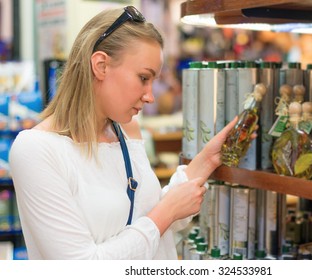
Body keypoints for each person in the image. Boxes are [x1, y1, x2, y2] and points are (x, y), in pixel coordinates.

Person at [9, 6, 245, 260]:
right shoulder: (36, 150)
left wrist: (208, 160)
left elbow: (151, 219)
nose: (151, 96)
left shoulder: (126, 131)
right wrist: (166, 212)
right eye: (144, 78)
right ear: (100, 65)